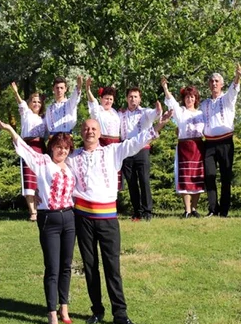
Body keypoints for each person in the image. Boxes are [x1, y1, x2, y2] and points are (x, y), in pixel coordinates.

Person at [66, 107, 172, 324]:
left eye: (93, 128)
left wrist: (159, 125)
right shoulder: (72, 157)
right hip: (83, 217)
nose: (90, 132)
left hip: (108, 218)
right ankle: (97, 310)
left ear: (100, 131)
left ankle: (120, 313)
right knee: (90, 265)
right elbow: (53, 168)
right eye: (86, 129)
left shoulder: (112, 151)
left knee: (112, 267)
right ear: (81, 132)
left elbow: (136, 141)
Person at [0, 119, 76, 324]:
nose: (62, 151)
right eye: (59, 147)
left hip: (69, 217)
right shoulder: (42, 162)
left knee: (66, 265)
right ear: (51, 147)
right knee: (52, 267)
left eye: (66, 148)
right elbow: (24, 148)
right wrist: (11, 129)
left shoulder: (71, 166)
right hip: (49, 218)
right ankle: (51, 311)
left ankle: (64, 307)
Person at [200, 66, 241, 217]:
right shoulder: (204, 104)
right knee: (209, 176)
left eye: (217, 81)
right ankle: (212, 209)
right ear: (209, 85)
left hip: (225, 141)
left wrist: (237, 76)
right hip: (209, 143)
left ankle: (224, 211)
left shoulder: (227, 99)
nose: (214, 83)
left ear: (222, 84)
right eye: (211, 81)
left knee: (225, 176)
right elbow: (197, 121)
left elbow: (234, 89)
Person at [162, 77, 206, 218]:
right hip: (184, 147)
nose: (189, 99)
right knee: (185, 178)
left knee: (197, 177)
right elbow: (171, 101)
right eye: (187, 97)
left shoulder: (201, 113)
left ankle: (194, 208)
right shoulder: (180, 112)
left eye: (192, 97)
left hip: (198, 147)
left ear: (196, 98)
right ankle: (187, 210)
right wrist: (165, 88)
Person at [119, 87, 160, 221]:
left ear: (140, 98)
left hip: (142, 149)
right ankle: (137, 212)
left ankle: (147, 212)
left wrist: (158, 109)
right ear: (127, 98)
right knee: (131, 182)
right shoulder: (121, 113)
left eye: (136, 97)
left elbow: (155, 114)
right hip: (127, 149)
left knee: (144, 180)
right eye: (130, 96)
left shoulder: (145, 112)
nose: (133, 99)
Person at [9, 82, 46, 221]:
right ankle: (33, 212)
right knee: (28, 179)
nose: (36, 104)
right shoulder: (26, 113)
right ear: (30, 103)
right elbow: (21, 103)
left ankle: (41, 208)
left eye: (39, 102)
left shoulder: (44, 119)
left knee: (40, 179)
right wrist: (16, 92)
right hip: (27, 147)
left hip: (41, 148)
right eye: (34, 101)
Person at [85, 78, 123, 192]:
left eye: (111, 99)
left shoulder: (115, 112)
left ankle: (114, 199)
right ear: (101, 99)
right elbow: (93, 103)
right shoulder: (98, 111)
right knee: (103, 170)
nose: (109, 101)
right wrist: (88, 89)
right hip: (103, 143)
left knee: (114, 170)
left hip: (116, 144)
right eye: (106, 98)